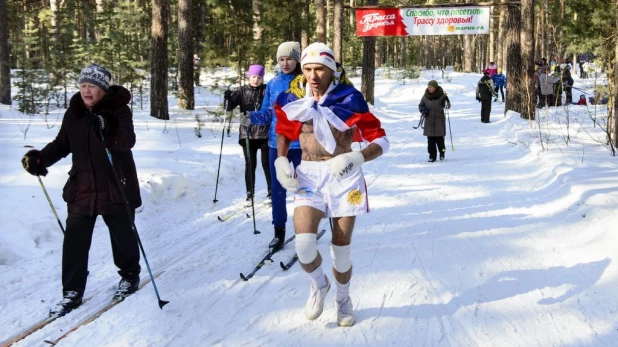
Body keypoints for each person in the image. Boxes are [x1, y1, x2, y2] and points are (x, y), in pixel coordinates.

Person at [273, 42, 389, 327]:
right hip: (310, 175)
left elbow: (382, 141)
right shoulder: (293, 98)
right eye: (308, 69)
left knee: (341, 248)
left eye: (319, 69)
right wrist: (280, 160)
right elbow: (284, 133)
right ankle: (319, 284)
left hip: (344, 177)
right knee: (304, 246)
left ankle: (343, 297)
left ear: (333, 70)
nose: (312, 76)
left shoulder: (349, 98)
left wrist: (357, 158)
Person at [20, 64, 141, 316]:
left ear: (103, 89)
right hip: (82, 186)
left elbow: (127, 142)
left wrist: (107, 126)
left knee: (122, 236)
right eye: (83, 85)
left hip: (115, 184)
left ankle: (129, 276)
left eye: (92, 86)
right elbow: (62, 144)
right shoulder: (74, 112)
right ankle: (72, 292)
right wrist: (40, 159)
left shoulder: (118, 110)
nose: (86, 90)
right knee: (74, 241)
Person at [250, 42, 302, 251]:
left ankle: (307, 228)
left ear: (297, 59)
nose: (285, 63)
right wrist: (250, 117)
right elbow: (267, 113)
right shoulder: (272, 84)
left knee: (303, 188)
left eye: (289, 58)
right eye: (281, 59)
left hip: (301, 144)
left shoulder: (305, 81)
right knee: (277, 190)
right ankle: (278, 232)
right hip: (275, 143)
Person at [224, 65, 271, 205]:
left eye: (259, 77)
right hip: (247, 134)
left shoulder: (266, 90)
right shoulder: (241, 92)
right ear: (249, 77)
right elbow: (228, 108)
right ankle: (250, 195)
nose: (256, 80)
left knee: (267, 164)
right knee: (250, 165)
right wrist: (227, 98)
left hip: (264, 133)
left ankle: (271, 193)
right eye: (254, 77)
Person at [418, 80, 450, 162]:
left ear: (435, 87)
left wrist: (447, 101)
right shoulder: (425, 96)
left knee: (440, 141)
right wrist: (423, 110)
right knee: (430, 142)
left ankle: (442, 153)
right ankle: (432, 156)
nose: (429, 88)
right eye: (428, 87)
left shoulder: (442, 96)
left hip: (439, 121)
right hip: (429, 121)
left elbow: (447, 106)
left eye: (431, 87)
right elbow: (420, 105)